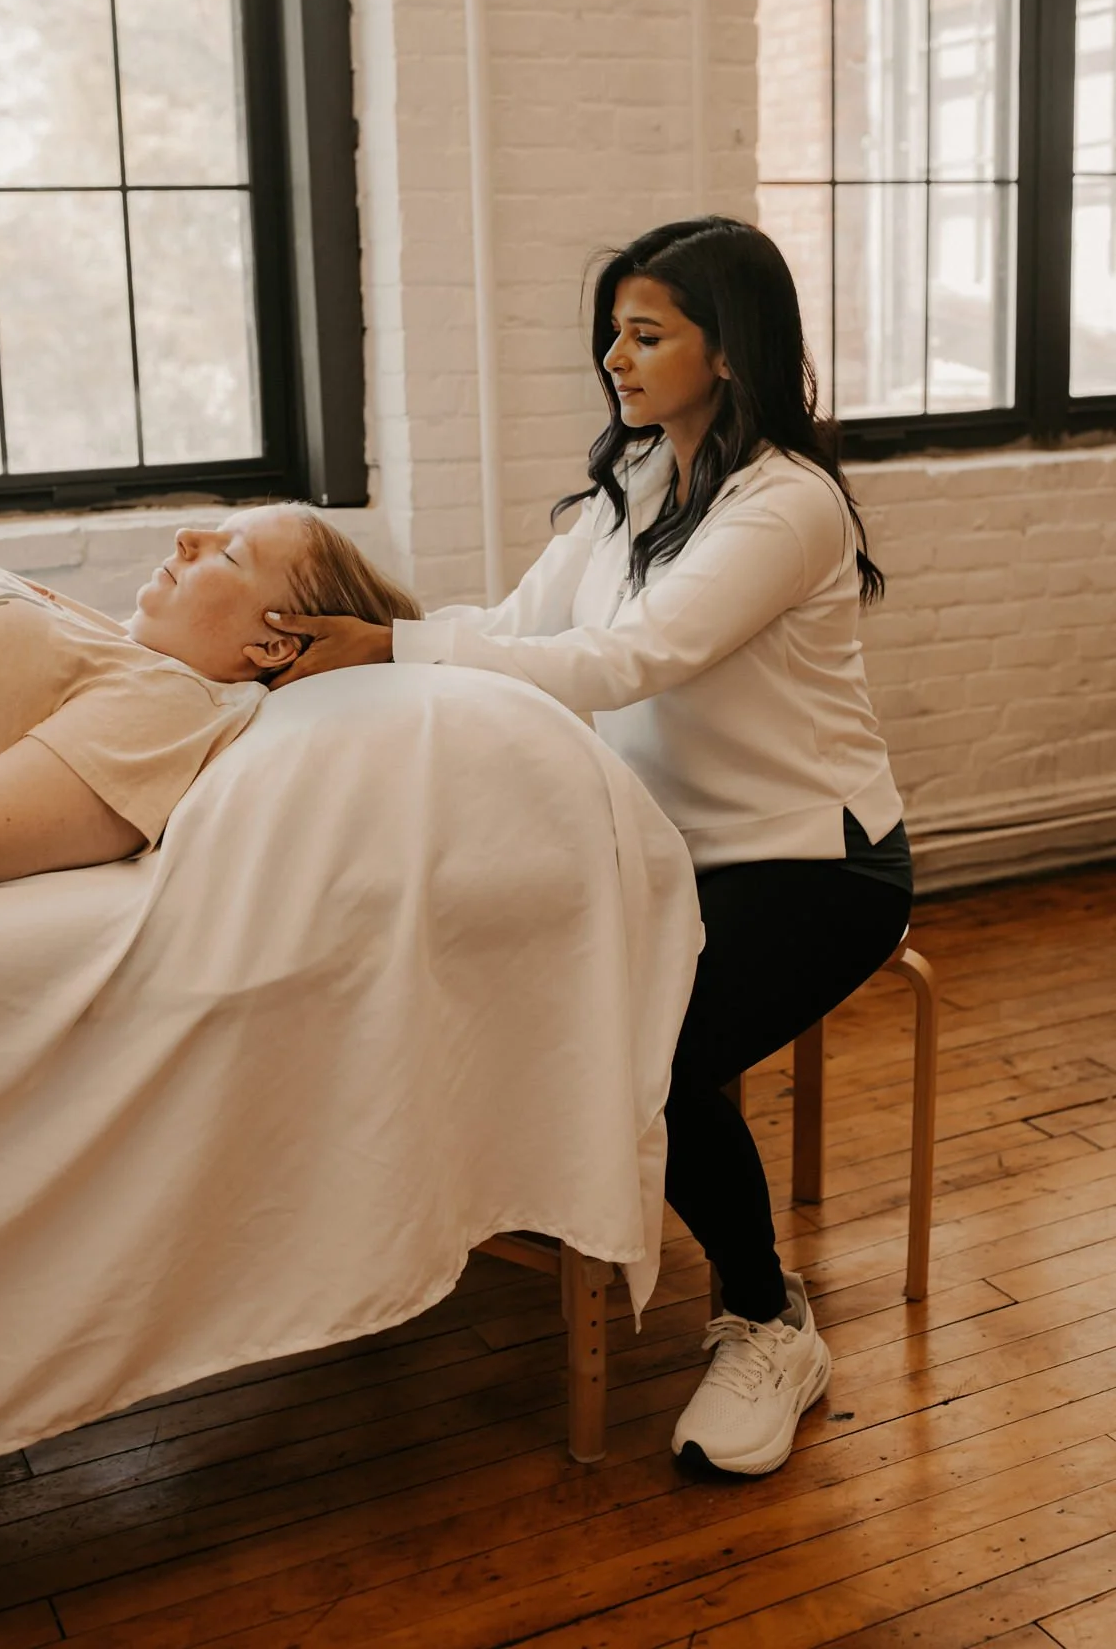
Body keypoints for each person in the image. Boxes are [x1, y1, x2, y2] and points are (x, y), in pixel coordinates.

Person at [261, 216, 912, 1478]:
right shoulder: (633, 486)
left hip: (813, 868)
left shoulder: (786, 505)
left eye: (646, 332)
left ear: (728, 350)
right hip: (663, 852)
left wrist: (391, 652)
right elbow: (511, 628)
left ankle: (769, 1322)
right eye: (612, 330)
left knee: (653, 1050)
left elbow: (629, 661)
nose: (615, 356)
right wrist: (355, 649)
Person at [0, 504, 418, 923]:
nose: (187, 538)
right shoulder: (111, 642)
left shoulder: (170, 705)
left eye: (228, 557)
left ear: (274, 645)